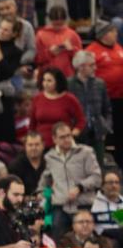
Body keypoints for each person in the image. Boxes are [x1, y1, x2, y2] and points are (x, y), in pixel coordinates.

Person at [40, 122, 102, 237]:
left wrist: (79, 187)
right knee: (54, 236)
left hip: (83, 205)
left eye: (69, 135)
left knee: (86, 238)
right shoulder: (50, 157)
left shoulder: (86, 152)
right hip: (61, 206)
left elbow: (97, 177)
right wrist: (42, 195)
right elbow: (45, 181)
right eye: (62, 137)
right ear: (54, 139)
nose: (67, 139)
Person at [86, 21, 123, 169]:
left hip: (120, 97)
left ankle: (120, 160)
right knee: (103, 129)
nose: (116, 34)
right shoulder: (92, 51)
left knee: (120, 129)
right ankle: (101, 161)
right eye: (112, 31)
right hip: (102, 98)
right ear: (103, 34)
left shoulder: (119, 48)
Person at [67, 50, 112, 164]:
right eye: (91, 65)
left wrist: (105, 127)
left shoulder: (100, 84)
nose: (95, 68)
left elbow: (107, 109)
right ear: (81, 67)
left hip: (97, 133)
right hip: (77, 135)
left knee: (98, 167)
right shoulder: (68, 85)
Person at [29, 68, 85, 148]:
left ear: (58, 82)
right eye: (44, 80)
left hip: (63, 144)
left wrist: (72, 134)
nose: (45, 84)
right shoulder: (37, 98)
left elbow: (81, 120)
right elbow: (32, 124)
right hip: (41, 145)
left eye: (49, 81)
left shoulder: (69, 99)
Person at [35, 6, 82, 77]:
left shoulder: (72, 35)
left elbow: (81, 58)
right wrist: (49, 53)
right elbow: (36, 59)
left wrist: (71, 50)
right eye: (55, 24)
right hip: (47, 76)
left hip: (67, 75)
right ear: (50, 20)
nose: (58, 27)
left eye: (61, 24)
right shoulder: (41, 35)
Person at [9, 131, 47, 196]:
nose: (34, 148)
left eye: (37, 144)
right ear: (25, 147)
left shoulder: (49, 162)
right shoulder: (15, 166)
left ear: (43, 145)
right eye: (30, 145)